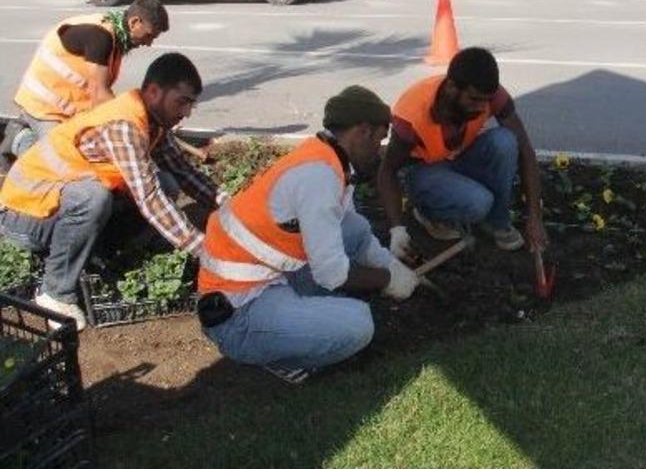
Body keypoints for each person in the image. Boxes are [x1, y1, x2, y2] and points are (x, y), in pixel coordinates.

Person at [198, 86, 418, 384]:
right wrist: (388, 280)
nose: (379, 150)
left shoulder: (325, 156)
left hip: (269, 277)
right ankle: (278, 356)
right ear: (363, 131)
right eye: (380, 139)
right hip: (238, 314)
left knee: (354, 228)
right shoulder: (319, 178)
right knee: (358, 325)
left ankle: (294, 319)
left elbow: (354, 234)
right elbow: (332, 273)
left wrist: (390, 265)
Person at [0, 53, 222, 330]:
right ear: (154, 91)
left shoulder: (153, 122)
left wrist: (229, 205)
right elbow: (149, 198)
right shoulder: (123, 125)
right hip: (23, 214)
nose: (187, 112)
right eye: (183, 101)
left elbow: (184, 172)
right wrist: (203, 249)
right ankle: (55, 292)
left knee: (167, 182)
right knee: (94, 198)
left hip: (57, 206)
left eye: (191, 104)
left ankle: (96, 253)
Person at [377, 47, 548, 255]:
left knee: (504, 142)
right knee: (479, 202)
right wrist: (397, 230)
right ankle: (430, 215)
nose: (482, 107)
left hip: (460, 158)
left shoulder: (490, 96)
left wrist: (535, 217)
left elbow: (525, 150)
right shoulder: (412, 115)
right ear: (451, 87)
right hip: (425, 175)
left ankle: (497, 222)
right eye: (475, 99)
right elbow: (387, 171)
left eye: (486, 99)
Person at [1, 0, 169, 159]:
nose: (149, 43)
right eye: (149, 35)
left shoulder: (114, 35)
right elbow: (100, 95)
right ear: (134, 22)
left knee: (86, 155)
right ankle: (20, 138)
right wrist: (136, 123)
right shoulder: (100, 37)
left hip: (68, 112)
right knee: (56, 164)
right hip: (43, 109)